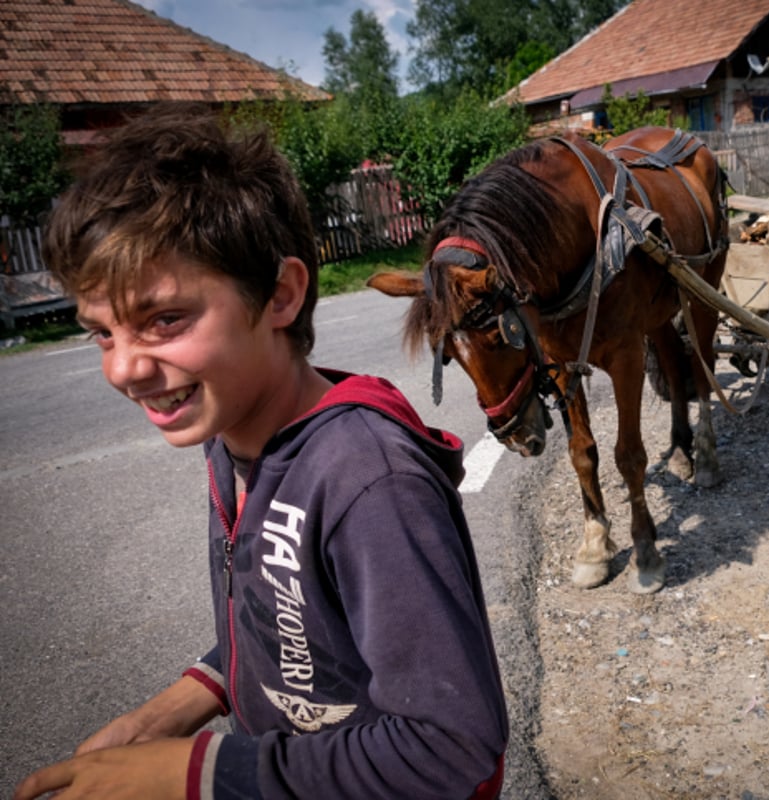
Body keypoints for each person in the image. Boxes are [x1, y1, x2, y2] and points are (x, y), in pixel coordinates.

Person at [13, 106, 508, 800]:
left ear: (280, 295)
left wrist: (196, 774)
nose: (124, 369)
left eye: (164, 319)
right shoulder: (233, 435)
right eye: (102, 333)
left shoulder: (367, 481)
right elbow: (290, 622)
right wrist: (182, 703)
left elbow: (450, 746)